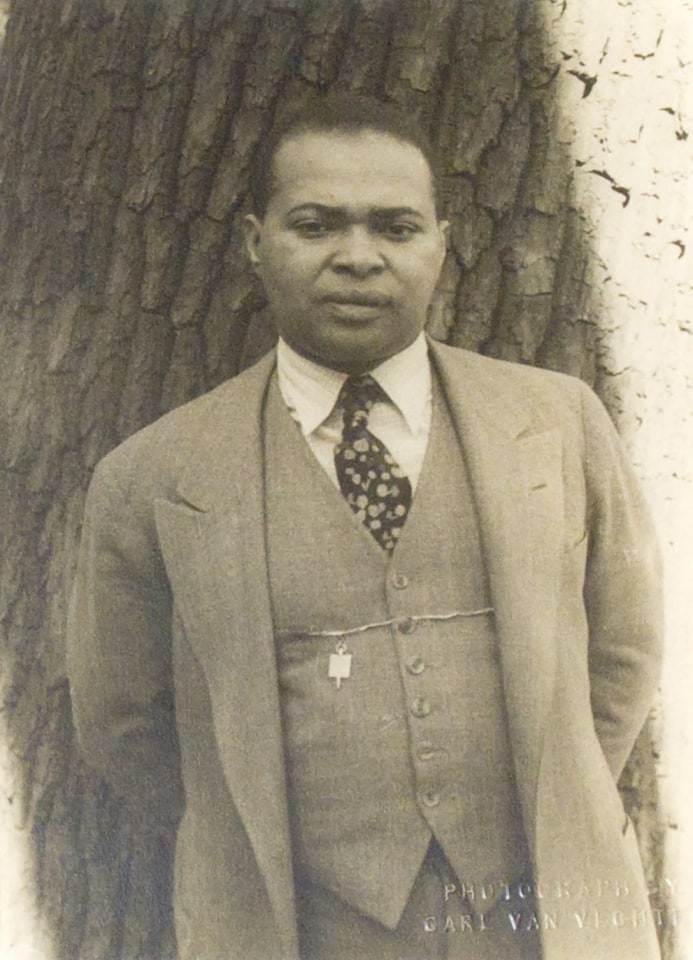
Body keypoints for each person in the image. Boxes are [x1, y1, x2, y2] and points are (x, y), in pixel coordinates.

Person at [67, 94, 664, 960]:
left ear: (440, 244)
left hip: (543, 920)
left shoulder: (557, 422)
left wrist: (559, 807)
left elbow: (624, 650)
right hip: (297, 929)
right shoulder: (151, 478)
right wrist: (250, 843)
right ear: (253, 242)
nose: (358, 259)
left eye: (395, 227)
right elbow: (126, 723)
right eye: (315, 226)